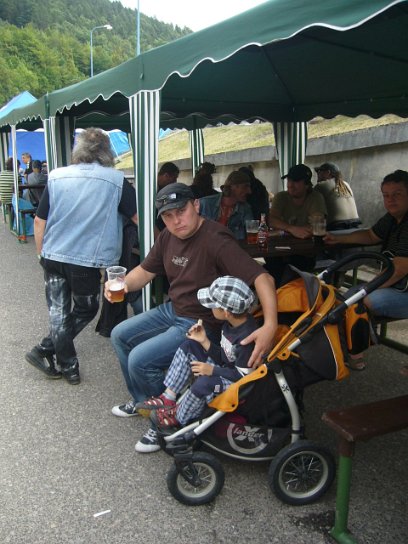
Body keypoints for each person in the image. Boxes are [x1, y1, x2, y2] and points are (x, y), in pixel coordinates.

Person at [107, 182, 278, 453]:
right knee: (120, 335)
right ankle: (144, 401)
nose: (176, 220)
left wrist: (270, 325)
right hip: (173, 310)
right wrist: (122, 284)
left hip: (203, 322)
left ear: (196, 205)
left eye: (181, 211)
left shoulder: (216, 239)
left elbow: (263, 278)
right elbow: (145, 271)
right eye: (168, 216)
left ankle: (165, 424)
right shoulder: (168, 236)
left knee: (141, 360)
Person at [25, 128, 138, 385]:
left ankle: (64, 363)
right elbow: (136, 217)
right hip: (84, 260)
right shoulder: (116, 180)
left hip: (52, 255)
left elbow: (39, 221)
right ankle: (48, 352)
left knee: (58, 312)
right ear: (107, 152)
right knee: (86, 308)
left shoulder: (56, 176)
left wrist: (41, 254)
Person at [134, 276, 257, 448]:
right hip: (225, 371)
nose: (209, 308)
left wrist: (212, 370)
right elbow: (224, 357)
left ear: (226, 312)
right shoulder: (230, 325)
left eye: (212, 305)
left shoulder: (246, 339)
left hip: (238, 385)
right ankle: (168, 397)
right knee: (190, 346)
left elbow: (244, 377)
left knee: (204, 383)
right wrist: (204, 341)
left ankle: (179, 418)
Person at [324, 169, 408, 370]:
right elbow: (371, 235)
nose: (390, 200)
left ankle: (354, 353)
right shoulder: (392, 219)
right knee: (345, 299)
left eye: (397, 194)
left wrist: (366, 289)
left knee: (359, 300)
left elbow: (399, 269)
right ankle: (347, 348)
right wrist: (339, 239)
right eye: (386, 195)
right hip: (397, 286)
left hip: (403, 290)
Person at [267, 164, 327, 285]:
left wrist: (283, 228)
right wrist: (292, 229)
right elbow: (271, 220)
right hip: (278, 251)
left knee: (292, 271)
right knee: (272, 269)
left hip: (304, 253)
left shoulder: (315, 198)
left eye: (296, 181)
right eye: (289, 180)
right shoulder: (281, 197)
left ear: (307, 184)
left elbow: (318, 227)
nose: (290, 184)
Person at [199, 170, 253, 240]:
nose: (249, 191)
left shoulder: (245, 209)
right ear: (233, 187)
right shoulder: (205, 203)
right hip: (207, 246)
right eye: (245, 187)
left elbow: (252, 232)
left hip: (231, 246)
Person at [314, 162, 361, 230]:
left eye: (319, 172)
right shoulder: (346, 184)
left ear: (328, 172)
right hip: (355, 223)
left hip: (337, 225)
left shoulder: (321, 185)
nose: (317, 175)